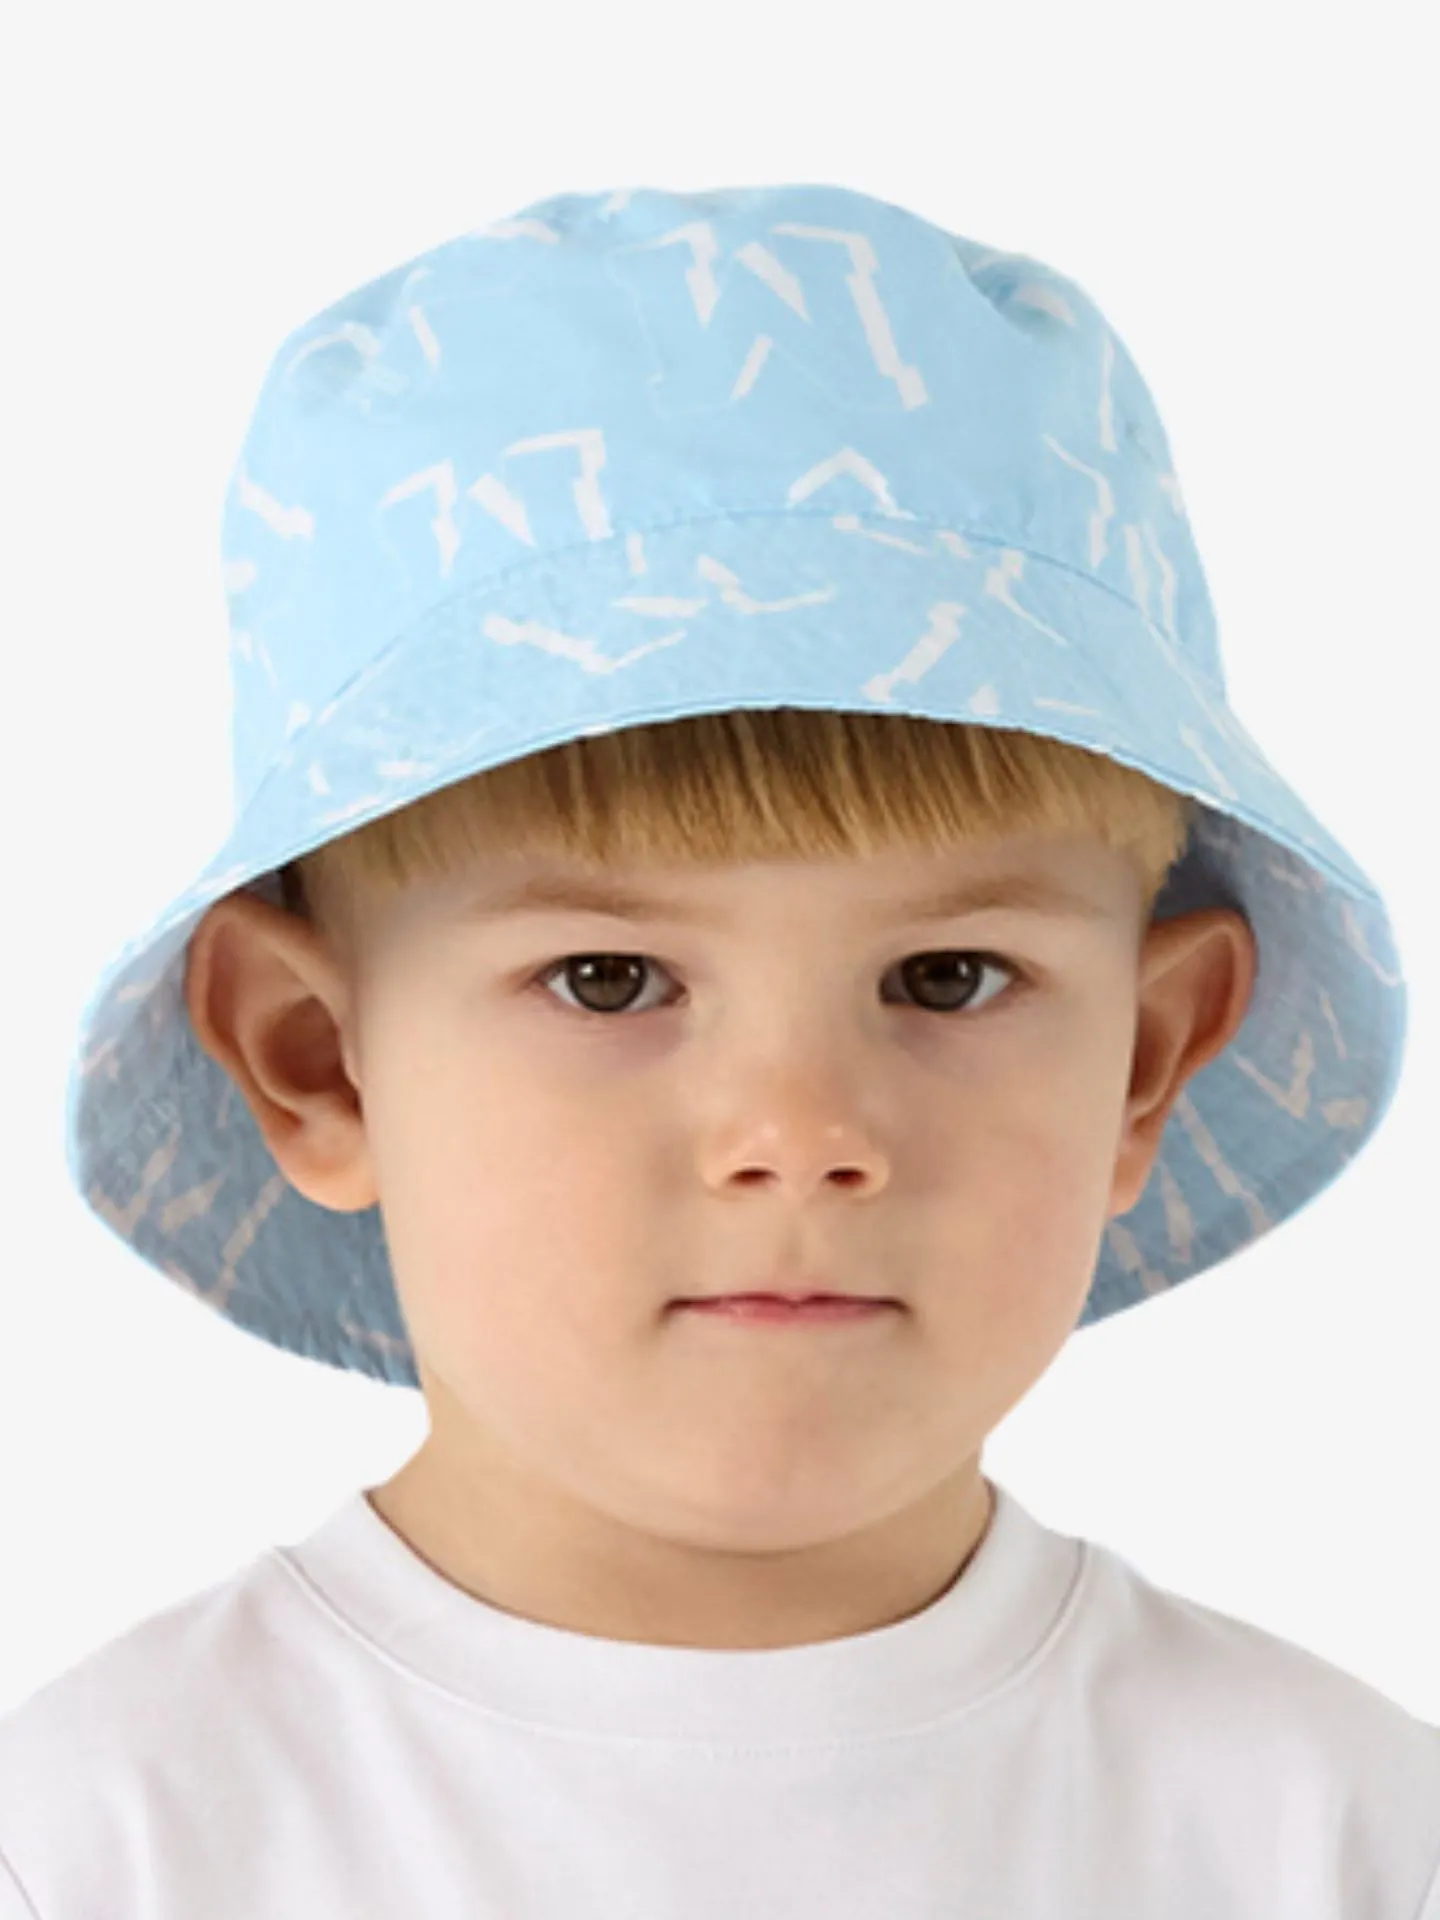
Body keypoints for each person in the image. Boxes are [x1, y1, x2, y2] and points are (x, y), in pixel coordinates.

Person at [2, 181, 1435, 1916]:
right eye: (610, 979)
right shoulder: (105, 1844)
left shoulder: (1336, 1838)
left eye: (950, 978)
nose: (801, 1129)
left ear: (1147, 1056)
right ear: (316, 1056)